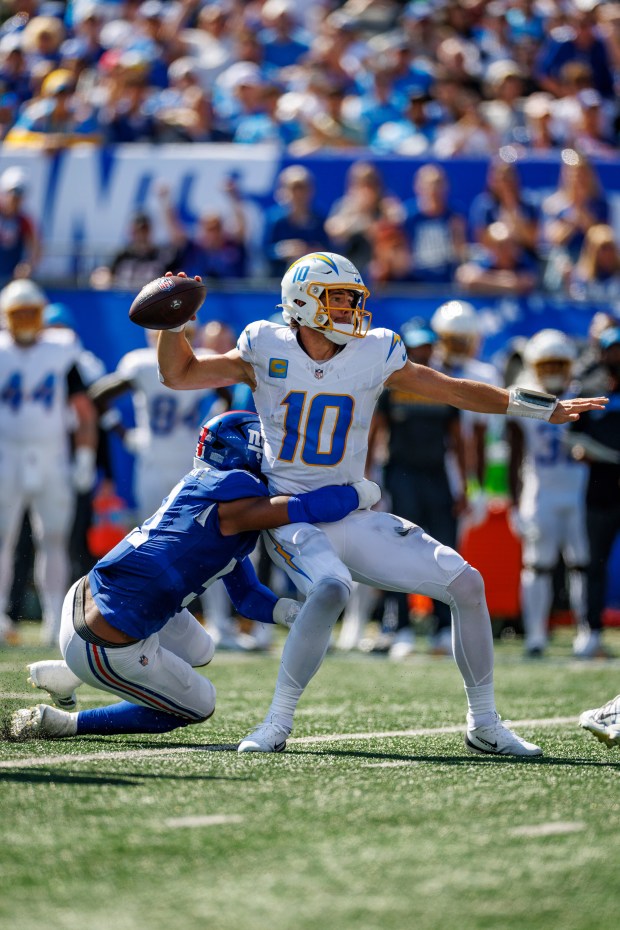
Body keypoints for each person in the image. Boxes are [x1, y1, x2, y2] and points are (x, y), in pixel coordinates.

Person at [156, 254, 608, 757]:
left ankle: (484, 723)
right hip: (291, 513)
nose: (350, 309)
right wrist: (174, 325)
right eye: (339, 298)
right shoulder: (264, 344)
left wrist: (540, 407)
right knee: (331, 588)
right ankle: (276, 722)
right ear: (303, 301)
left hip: (350, 511)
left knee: (467, 583)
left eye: (353, 299)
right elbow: (180, 374)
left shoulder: (376, 351)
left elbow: (453, 391)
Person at [9, 410, 377, 740]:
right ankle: (66, 723)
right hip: (102, 640)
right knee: (200, 704)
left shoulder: (207, 495)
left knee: (201, 649)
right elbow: (307, 507)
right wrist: (362, 491)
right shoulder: (235, 497)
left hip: (85, 596)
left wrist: (294, 614)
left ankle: (67, 674)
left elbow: (246, 595)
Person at [0, 279, 98, 647]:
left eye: (32, 313)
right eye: (19, 313)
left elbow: (83, 410)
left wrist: (85, 455)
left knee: (55, 538)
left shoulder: (61, 349)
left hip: (51, 454)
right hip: (6, 453)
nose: (26, 320)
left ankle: (55, 616)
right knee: (1, 538)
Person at [506, 329, 589, 657]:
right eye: (547, 365)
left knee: (582, 565)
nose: (553, 372)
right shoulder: (524, 398)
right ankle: (535, 636)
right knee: (537, 566)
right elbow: (514, 455)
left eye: (559, 365)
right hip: (541, 494)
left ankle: (586, 633)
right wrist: (514, 503)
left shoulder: (585, 394)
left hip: (580, 493)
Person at [569, 325, 620, 658]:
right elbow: (575, 442)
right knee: (595, 562)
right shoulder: (589, 388)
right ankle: (591, 628)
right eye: (611, 349)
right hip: (601, 490)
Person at [0, 165, 41, 286]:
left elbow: (36, 248)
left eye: (19, 196)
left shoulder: (24, 220)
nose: (15, 200)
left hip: (12, 282)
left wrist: (28, 265)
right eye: (12, 194)